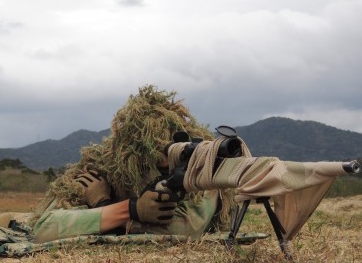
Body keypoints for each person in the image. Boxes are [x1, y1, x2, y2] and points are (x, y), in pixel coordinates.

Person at [32, 85, 234, 243]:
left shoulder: (203, 165)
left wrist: (106, 206)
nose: (164, 163)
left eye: (170, 151)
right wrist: (131, 209)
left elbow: (182, 229)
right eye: (150, 159)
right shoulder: (105, 166)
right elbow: (45, 229)